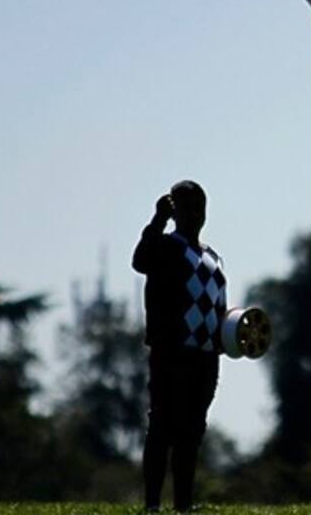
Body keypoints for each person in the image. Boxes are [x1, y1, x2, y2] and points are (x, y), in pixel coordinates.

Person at [132, 180, 226, 512]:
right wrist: (157, 220)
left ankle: (183, 505)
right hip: (172, 352)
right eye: (186, 207)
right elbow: (140, 260)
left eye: (199, 207)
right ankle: (153, 505)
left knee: (191, 432)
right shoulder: (166, 247)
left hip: (205, 355)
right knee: (162, 428)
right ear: (176, 211)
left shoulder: (213, 257)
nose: (194, 214)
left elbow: (216, 305)